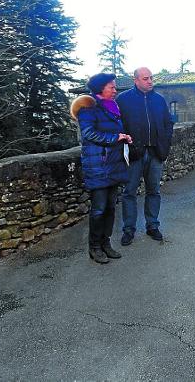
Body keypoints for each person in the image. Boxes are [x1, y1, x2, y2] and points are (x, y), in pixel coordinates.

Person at [70, 73, 132, 264]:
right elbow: (88, 134)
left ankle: (106, 244)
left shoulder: (112, 108)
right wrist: (116, 138)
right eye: (111, 87)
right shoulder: (88, 108)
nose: (115, 90)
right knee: (98, 209)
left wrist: (123, 137)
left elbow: (113, 132)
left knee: (111, 207)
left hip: (113, 164)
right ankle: (94, 247)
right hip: (98, 165)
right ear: (100, 88)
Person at [116, 67, 174, 245]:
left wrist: (164, 143)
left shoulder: (159, 100)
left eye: (151, 78)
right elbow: (118, 125)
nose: (150, 81)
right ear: (136, 80)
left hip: (155, 152)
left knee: (154, 191)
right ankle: (128, 230)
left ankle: (152, 226)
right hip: (134, 154)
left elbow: (168, 123)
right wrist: (127, 145)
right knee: (129, 192)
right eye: (145, 78)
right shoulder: (123, 100)